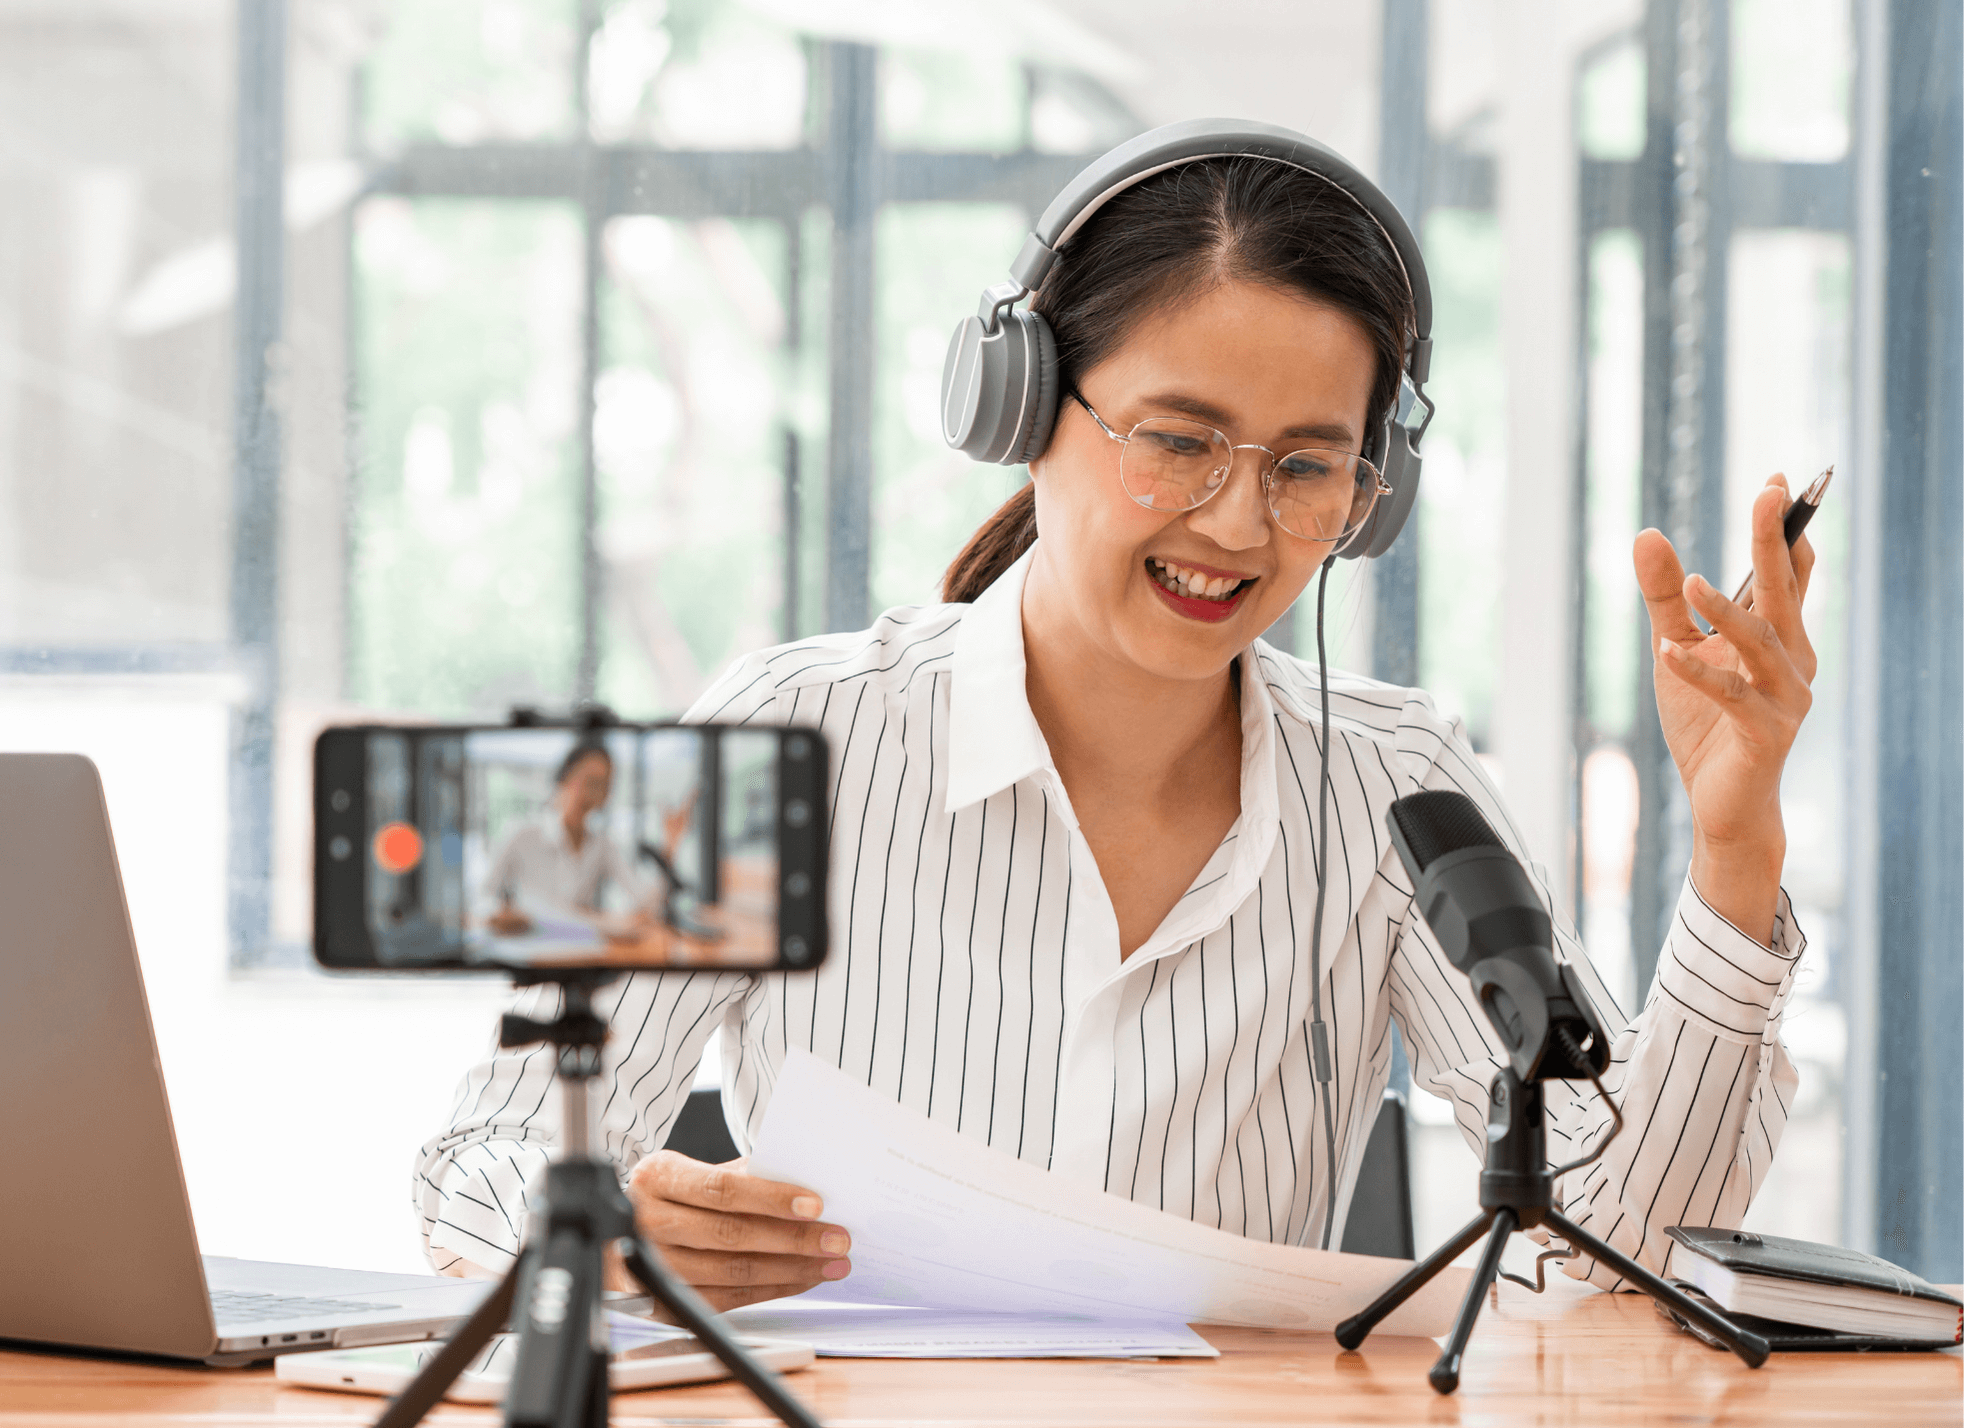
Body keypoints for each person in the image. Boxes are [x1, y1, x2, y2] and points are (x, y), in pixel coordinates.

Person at [416, 130, 1815, 1316]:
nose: (1236, 521)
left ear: (1368, 489)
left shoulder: (1398, 781)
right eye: (1178, 438)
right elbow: (481, 1155)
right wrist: (597, 1233)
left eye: (1306, 467)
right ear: (1021, 407)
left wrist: (1734, 847)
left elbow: (1625, 1252)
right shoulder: (775, 727)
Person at [481, 739, 655, 942]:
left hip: (583, 954)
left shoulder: (602, 844)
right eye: (590, 782)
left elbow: (644, 898)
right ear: (564, 777)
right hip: (532, 953)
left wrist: (669, 848)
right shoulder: (521, 835)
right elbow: (484, 900)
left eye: (604, 786)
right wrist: (505, 915)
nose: (595, 794)